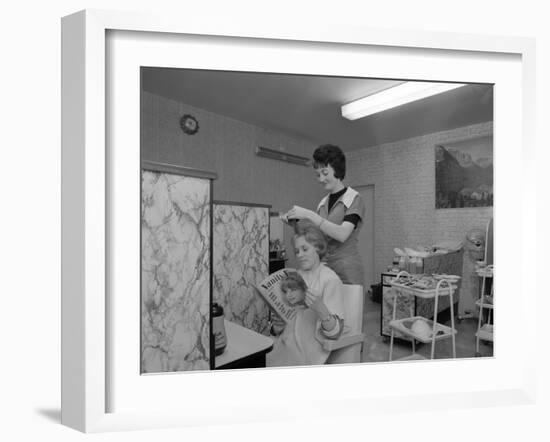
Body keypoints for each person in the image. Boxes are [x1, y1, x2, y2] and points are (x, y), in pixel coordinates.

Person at [282, 144, 365, 285]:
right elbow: (318, 235)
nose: (320, 179)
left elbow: (342, 234)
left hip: (347, 268)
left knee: (347, 306)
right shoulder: (322, 203)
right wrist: (296, 223)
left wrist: (310, 215)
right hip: (324, 266)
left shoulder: (354, 198)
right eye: (318, 174)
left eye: (325, 173)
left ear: (337, 170)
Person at [266, 220, 345, 367]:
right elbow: (283, 323)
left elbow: (335, 333)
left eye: (305, 249)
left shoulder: (329, 279)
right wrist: (277, 326)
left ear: (318, 248)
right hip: (283, 344)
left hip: (308, 351)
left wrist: (321, 309)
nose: (300, 255)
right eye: (297, 251)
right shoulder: (294, 276)